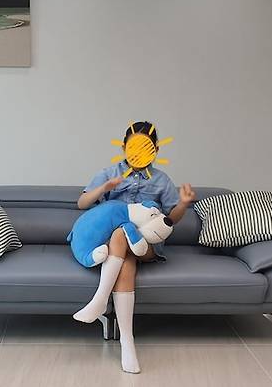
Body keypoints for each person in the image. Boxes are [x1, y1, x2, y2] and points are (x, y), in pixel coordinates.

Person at [74, 121, 196, 374]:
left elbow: (170, 219)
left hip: (147, 244)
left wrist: (183, 204)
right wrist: (104, 188)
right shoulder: (109, 173)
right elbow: (82, 203)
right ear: (124, 147)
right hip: (115, 245)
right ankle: (127, 343)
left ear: (155, 150)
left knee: (123, 234)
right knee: (122, 243)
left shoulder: (161, 180)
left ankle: (99, 301)